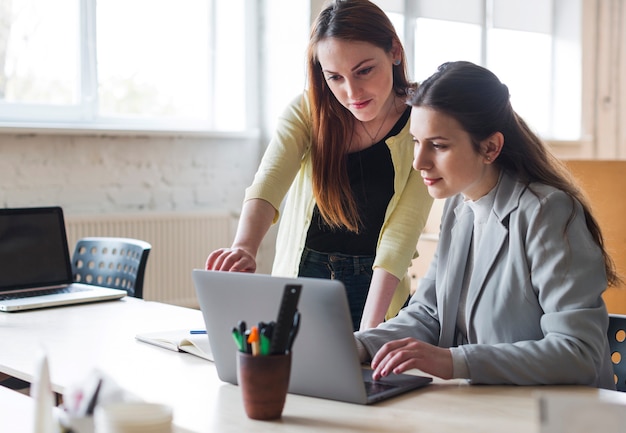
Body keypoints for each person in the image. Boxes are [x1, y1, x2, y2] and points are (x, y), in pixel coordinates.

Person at [354, 61, 621, 388]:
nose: (419, 162)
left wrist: (455, 362)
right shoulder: (458, 205)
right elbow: (428, 313)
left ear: (491, 147)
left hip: (554, 415)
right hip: (485, 407)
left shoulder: (547, 212)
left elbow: (579, 352)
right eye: (416, 142)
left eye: (438, 145)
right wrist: (360, 345)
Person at [205, 0, 433, 331]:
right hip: (303, 271)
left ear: (395, 51)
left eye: (364, 70)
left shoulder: (424, 121)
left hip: (377, 283)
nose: (351, 91)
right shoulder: (308, 108)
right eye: (335, 77)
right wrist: (244, 247)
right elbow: (269, 182)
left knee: (364, 377)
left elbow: (403, 232)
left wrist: (371, 326)